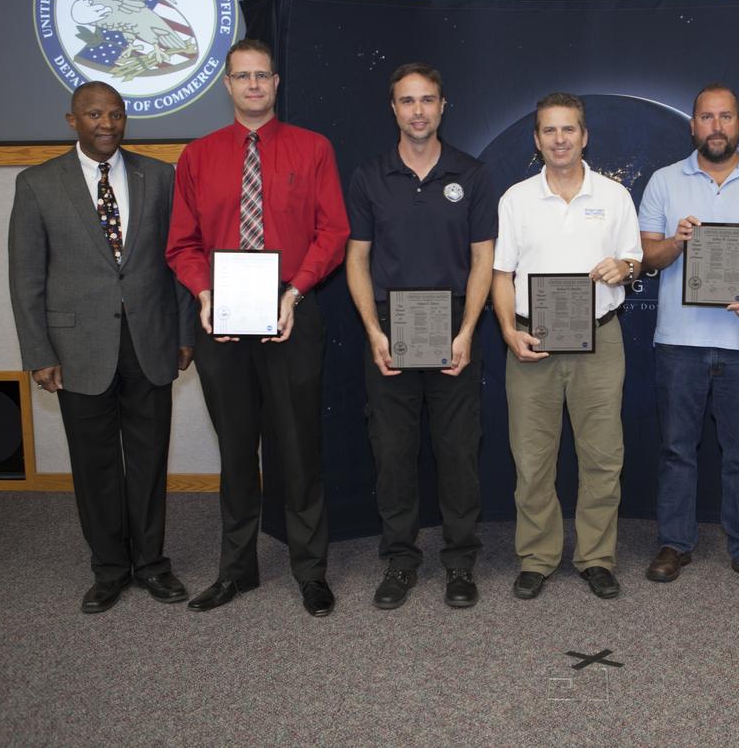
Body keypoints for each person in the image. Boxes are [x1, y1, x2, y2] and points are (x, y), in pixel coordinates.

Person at [167, 38, 350, 617]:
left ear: (276, 83)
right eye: (242, 76)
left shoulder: (312, 148)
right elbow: (182, 243)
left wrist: (295, 293)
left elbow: (333, 232)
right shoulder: (197, 156)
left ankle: (310, 571)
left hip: (290, 311)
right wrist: (203, 295)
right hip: (222, 319)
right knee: (237, 451)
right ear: (227, 85)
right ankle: (236, 571)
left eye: (262, 76)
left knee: (298, 450)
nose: (252, 85)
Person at [8, 81, 194, 613]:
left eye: (116, 114)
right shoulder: (38, 184)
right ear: (72, 121)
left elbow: (179, 263)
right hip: (76, 349)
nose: (107, 123)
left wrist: (184, 335)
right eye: (94, 114)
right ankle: (110, 569)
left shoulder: (160, 177)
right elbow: (26, 278)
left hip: (151, 342)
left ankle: (152, 565)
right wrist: (38, 352)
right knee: (94, 465)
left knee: (149, 459)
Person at [345, 63, 497, 610]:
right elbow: (356, 258)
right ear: (393, 109)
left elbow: (484, 259)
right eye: (407, 101)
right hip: (390, 330)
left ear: (442, 106)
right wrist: (372, 332)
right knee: (393, 453)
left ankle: (460, 564)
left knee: (458, 453)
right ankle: (401, 562)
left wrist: (467, 331)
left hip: (454, 328)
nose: (418, 111)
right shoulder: (368, 176)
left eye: (427, 100)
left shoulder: (472, 174)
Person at [637, 84, 739, 590]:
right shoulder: (665, 182)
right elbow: (646, 257)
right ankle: (674, 542)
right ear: (693, 126)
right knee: (677, 449)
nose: (716, 126)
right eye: (706, 117)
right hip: (679, 342)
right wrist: (677, 242)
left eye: (725, 116)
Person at [492, 92, 643, 600]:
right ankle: (536, 557)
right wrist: (508, 329)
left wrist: (625, 267)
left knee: (603, 456)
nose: (560, 139)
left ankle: (596, 557)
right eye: (549, 131)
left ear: (585, 136)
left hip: (599, 337)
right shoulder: (515, 199)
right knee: (532, 458)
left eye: (569, 130)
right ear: (537, 140)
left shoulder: (614, 196)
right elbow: (500, 274)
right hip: (532, 338)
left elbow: (634, 261)